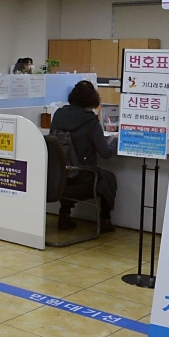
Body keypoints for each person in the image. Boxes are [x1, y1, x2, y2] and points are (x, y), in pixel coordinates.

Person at [49, 80, 117, 232]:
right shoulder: (91, 122)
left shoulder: (58, 115)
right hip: (82, 176)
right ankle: (105, 220)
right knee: (109, 178)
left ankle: (64, 215)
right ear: (93, 101)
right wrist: (115, 141)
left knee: (68, 170)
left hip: (57, 177)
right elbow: (106, 153)